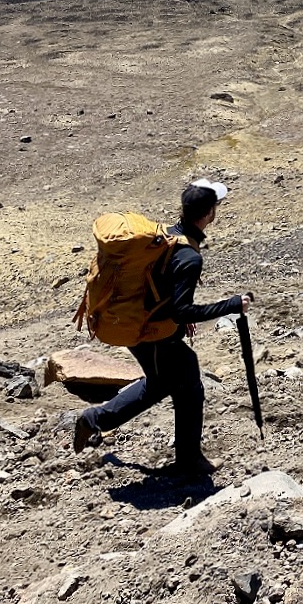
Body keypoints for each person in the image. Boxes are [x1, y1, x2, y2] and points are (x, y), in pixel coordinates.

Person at [73, 179, 249, 478]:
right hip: (151, 335)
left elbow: (161, 288)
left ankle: (186, 457)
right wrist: (232, 305)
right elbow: (181, 311)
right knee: (178, 382)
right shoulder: (189, 257)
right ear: (209, 214)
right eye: (215, 207)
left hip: (143, 325)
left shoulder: (166, 236)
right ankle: (96, 420)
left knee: (174, 381)